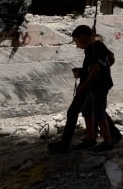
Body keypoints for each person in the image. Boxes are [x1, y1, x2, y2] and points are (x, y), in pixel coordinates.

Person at [48, 24, 116, 153]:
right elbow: (111, 58)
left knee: (98, 113)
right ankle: (90, 139)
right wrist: (85, 71)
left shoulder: (91, 48)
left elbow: (96, 68)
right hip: (100, 84)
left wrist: (84, 85)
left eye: (76, 40)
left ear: (83, 36)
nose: (77, 45)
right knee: (87, 110)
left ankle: (108, 142)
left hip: (96, 86)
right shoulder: (100, 45)